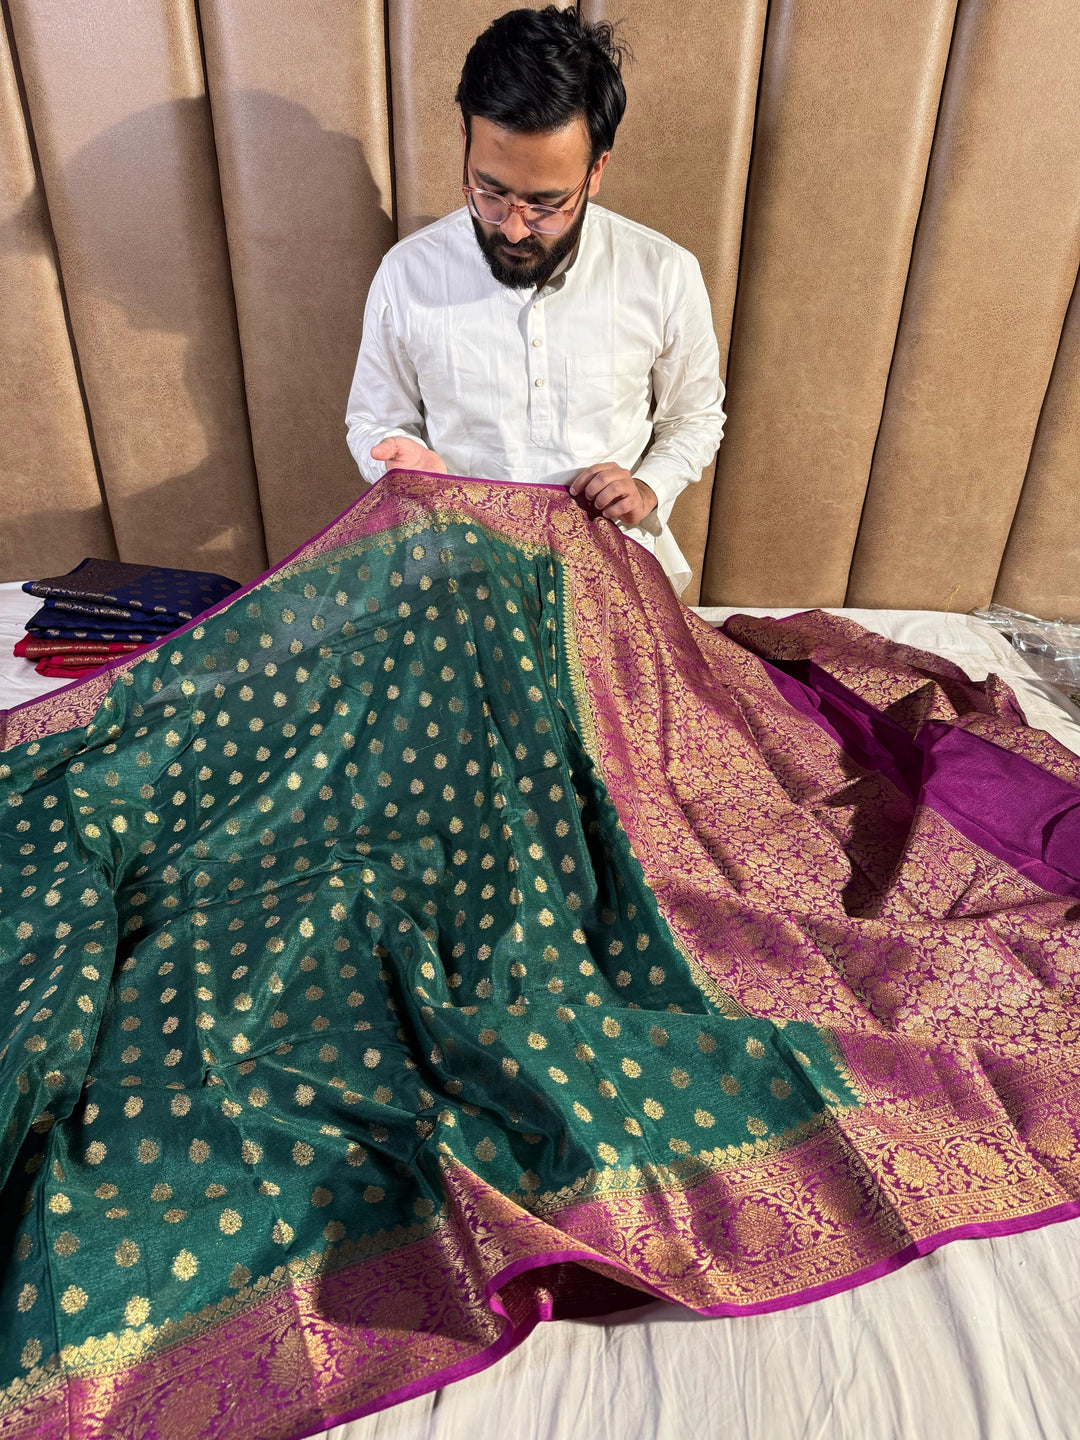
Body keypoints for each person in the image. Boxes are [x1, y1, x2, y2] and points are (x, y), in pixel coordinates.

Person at [345, 5, 726, 596]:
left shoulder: (665, 273)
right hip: (455, 572)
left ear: (595, 172)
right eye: (490, 193)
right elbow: (373, 418)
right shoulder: (406, 274)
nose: (515, 229)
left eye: (546, 204)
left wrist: (649, 486)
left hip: (606, 579)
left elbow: (694, 418)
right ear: (465, 145)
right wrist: (408, 467)